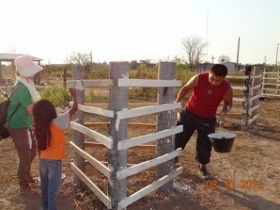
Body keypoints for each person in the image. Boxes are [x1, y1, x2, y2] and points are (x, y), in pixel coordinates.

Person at [175, 64, 233, 180]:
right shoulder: (199, 78)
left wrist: (224, 111)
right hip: (189, 113)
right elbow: (185, 88)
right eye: (212, 78)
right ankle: (172, 159)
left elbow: (228, 104)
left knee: (205, 145)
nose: (215, 82)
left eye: (219, 80)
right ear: (209, 73)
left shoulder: (226, 88)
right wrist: (177, 102)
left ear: (224, 78)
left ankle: (202, 167)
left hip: (208, 118)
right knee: (178, 138)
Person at [33, 88, 78, 210]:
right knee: (53, 191)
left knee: (45, 188)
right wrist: (74, 95)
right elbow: (74, 109)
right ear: (51, 110)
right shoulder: (58, 121)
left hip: (43, 160)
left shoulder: (38, 124)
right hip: (55, 161)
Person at [7, 55, 43, 194]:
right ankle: (23, 185)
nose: (34, 73)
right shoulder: (23, 88)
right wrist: (46, 116)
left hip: (25, 124)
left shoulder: (26, 84)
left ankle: (26, 175)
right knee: (25, 155)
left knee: (32, 151)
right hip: (17, 126)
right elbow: (31, 109)